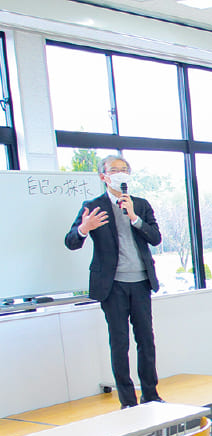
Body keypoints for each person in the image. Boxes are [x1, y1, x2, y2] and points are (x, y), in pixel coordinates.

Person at [64, 154, 163, 409]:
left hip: (141, 282)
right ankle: (128, 401)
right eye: (114, 170)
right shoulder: (93, 206)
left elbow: (155, 238)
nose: (121, 173)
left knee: (146, 340)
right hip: (113, 285)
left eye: (124, 169)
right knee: (119, 343)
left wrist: (134, 218)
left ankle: (151, 395)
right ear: (103, 176)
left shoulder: (140, 205)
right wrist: (84, 228)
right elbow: (71, 241)